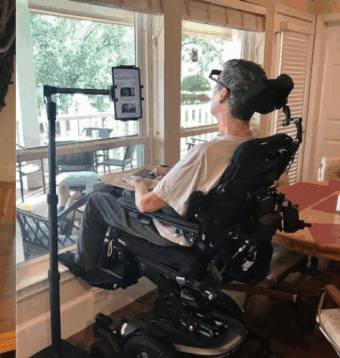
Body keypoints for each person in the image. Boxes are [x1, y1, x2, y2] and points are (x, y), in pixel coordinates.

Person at [59, 59, 267, 281]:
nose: (212, 91)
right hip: (214, 226)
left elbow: (145, 204)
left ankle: (82, 262)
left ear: (223, 94)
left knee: (98, 201)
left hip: (173, 230)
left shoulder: (206, 152)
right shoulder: (252, 146)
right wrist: (173, 174)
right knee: (107, 189)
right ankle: (71, 216)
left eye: (215, 84)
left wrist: (140, 184)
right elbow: (214, 180)